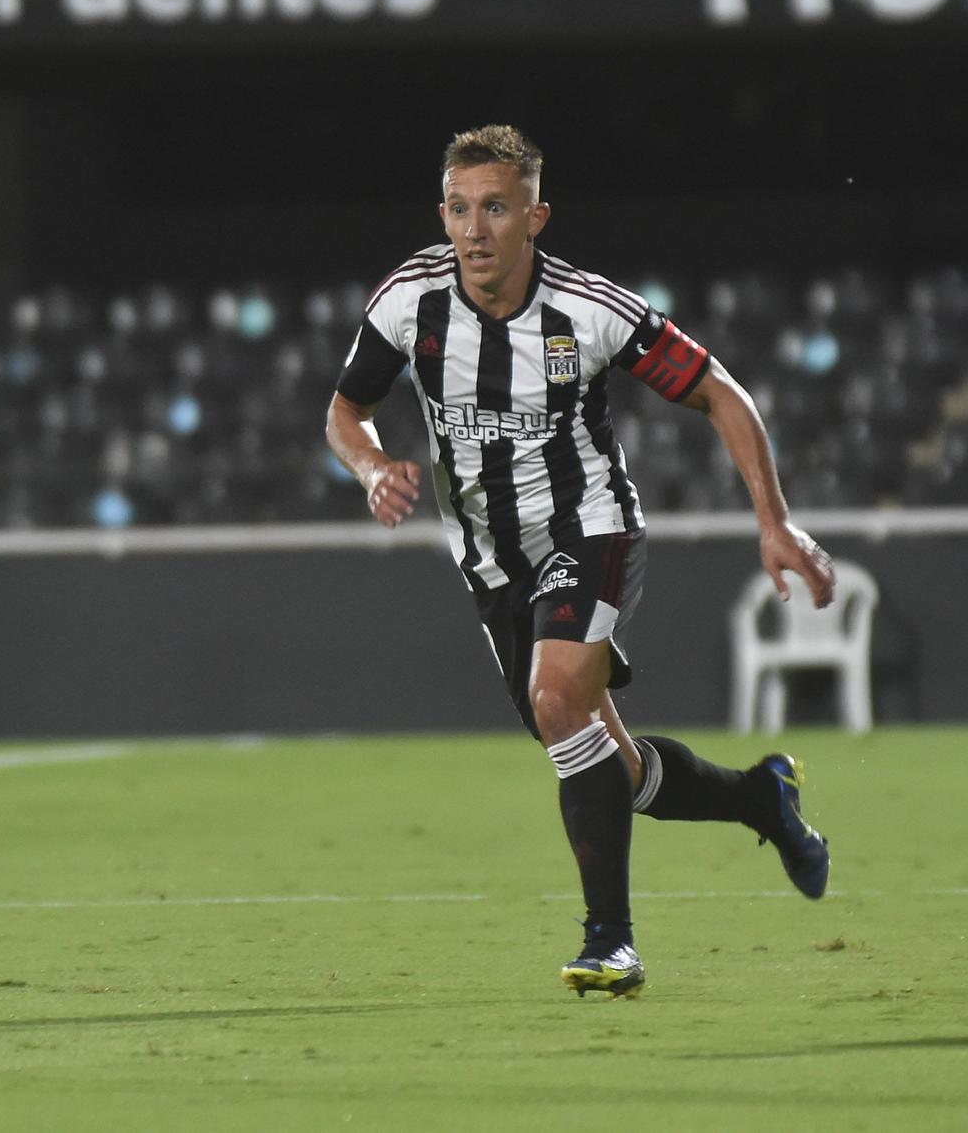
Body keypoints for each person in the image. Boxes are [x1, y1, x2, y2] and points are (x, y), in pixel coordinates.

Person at [324, 124, 834, 999]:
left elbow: (719, 391)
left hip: (590, 530)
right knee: (599, 755)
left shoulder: (590, 310)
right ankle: (760, 799)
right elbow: (346, 408)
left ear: (536, 217)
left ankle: (612, 941)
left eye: (495, 208)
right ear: (440, 215)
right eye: (459, 208)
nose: (474, 229)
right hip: (490, 561)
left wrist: (775, 521)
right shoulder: (411, 299)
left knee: (557, 700)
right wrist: (371, 466)